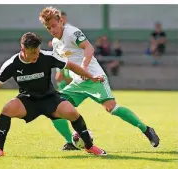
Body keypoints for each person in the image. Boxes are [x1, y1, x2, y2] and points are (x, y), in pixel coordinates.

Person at [0, 32, 107, 157]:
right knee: (7, 109)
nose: (36, 55)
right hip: (28, 100)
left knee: (71, 112)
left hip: (49, 98)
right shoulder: (12, 64)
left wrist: (90, 76)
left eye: (37, 51)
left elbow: (70, 65)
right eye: (32, 52)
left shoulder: (46, 56)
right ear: (23, 50)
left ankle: (89, 146)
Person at [39, 6, 160, 150]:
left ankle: (146, 130)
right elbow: (63, 62)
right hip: (77, 83)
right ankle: (71, 141)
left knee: (111, 108)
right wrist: (61, 73)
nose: (52, 30)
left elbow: (89, 48)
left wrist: (84, 67)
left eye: (54, 25)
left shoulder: (72, 32)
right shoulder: (55, 43)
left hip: (94, 77)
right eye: (48, 28)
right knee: (54, 108)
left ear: (60, 21)